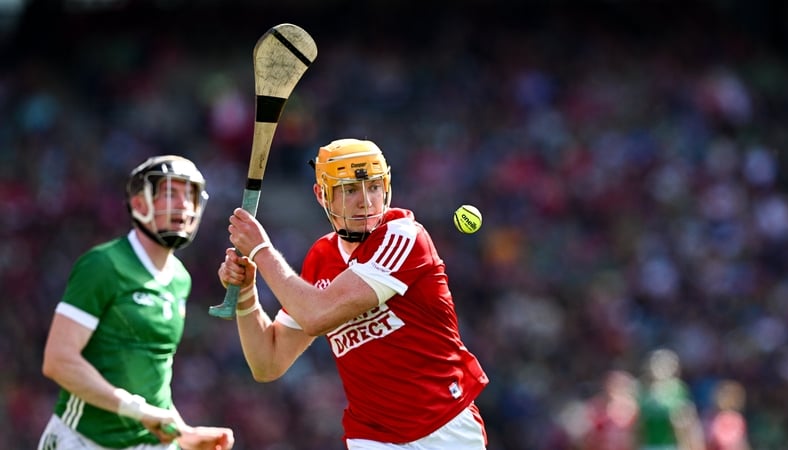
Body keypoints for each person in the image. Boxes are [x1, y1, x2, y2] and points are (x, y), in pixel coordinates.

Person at [218, 138, 490, 449]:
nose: (366, 201)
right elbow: (268, 362)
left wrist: (262, 251)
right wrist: (246, 293)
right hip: (372, 436)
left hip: (444, 428)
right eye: (349, 190)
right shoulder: (321, 258)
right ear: (322, 195)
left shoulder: (404, 237)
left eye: (373, 187)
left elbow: (316, 316)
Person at [38, 155, 234, 450]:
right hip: (83, 439)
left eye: (190, 195)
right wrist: (138, 411)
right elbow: (58, 361)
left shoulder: (180, 278)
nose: (183, 204)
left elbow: (153, 376)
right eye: (170, 193)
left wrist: (182, 433)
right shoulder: (103, 265)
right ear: (139, 203)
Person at [636, 348, 705, 450]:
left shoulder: (678, 390)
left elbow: (687, 424)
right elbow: (639, 427)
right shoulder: (644, 391)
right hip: (648, 446)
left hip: (670, 446)